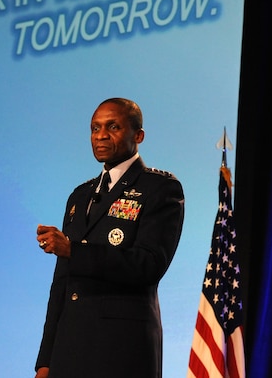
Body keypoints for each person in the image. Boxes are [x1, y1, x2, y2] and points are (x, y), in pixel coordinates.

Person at [35, 98, 185, 378]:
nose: (101, 135)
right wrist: (45, 360)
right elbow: (62, 284)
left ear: (138, 135)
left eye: (113, 126)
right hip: (69, 351)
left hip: (122, 348)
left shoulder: (160, 188)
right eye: (95, 128)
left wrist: (74, 251)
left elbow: (149, 264)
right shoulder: (80, 195)